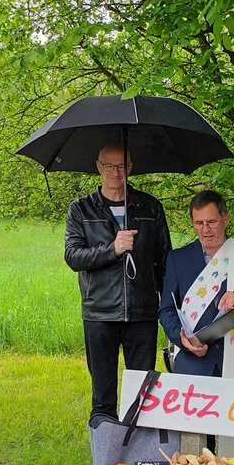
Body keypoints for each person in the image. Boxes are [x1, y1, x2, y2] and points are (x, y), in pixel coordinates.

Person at [64, 144, 172, 421]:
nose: (116, 172)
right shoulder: (81, 209)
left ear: (131, 167)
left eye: (122, 165)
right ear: (98, 167)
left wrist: (170, 310)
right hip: (100, 312)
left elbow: (165, 261)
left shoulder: (150, 207)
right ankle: (106, 445)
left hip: (143, 312)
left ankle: (136, 445)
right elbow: (73, 256)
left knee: (142, 395)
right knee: (103, 396)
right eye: (109, 166)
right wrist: (112, 249)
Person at [159, 189, 234, 380]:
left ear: (225, 219)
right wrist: (181, 338)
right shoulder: (178, 259)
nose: (205, 230)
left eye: (211, 222)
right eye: (199, 223)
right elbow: (166, 310)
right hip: (193, 363)